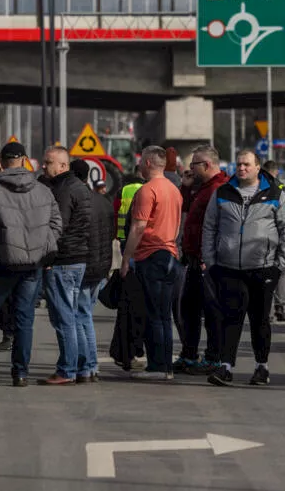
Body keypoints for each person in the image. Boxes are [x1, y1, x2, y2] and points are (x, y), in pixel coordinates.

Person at [0, 142, 62, 386]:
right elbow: (57, 225)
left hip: (2, 263)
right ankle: (20, 373)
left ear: (2, 161)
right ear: (25, 160)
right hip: (32, 266)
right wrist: (42, 247)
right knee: (24, 321)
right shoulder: (42, 190)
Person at [202, 150, 285, 387]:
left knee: (259, 319)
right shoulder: (222, 193)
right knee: (230, 318)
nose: (241, 168)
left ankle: (261, 367)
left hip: (263, 268)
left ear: (257, 167)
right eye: (239, 164)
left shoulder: (276, 194)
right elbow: (210, 227)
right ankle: (226, 367)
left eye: (246, 165)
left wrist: (279, 266)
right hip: (229, 268)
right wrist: (211, 261)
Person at [120, 145, 183, 380]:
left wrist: (127, 258)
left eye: (140, 161)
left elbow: (137, 227)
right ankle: (166, 366)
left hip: (151, 256)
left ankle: (157, 367)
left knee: (153, 314)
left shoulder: (147, 191)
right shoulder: (174, 190)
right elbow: (177, 226)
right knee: (165, 315)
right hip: (170, 254)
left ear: (147, 163)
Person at [38, 147, 94, 385]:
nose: (43, 166)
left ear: (62, 165)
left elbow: (57, 228)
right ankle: (84, 367)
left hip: (63, 261)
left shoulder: (62, 190)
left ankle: (67, 370)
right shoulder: (80, 188)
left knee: (64, 319)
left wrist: (48, 259)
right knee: (75, 316)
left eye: (48, 162)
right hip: (79, 259)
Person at [174, 144, 228, 375]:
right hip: (194, 259)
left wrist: (210, 257)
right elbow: (185, 211)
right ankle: (189, 354)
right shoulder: (204, 188)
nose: (190, 169)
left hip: (208, 262)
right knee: (189, 309)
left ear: (206, 165)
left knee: (212, 312)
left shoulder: (220, 189)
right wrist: (186, 189)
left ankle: (213, 358)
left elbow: (221, 228)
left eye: (194, 164)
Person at [72, 159, 115, 382]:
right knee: (85, 314)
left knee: (81, 316)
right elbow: (112, 234)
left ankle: (87, 365)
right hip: (101, 268)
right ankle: (91, 365)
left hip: (84, 266)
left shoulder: (81, 201)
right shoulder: (104, 201)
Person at [261, 159, 285, 323]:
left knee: (268, 271)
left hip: (267, 237)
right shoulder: (284, 189)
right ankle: (280, 306)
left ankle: (267, 309)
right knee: (282, 272)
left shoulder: (262, 186)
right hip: (283, 236)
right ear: (277, 172)